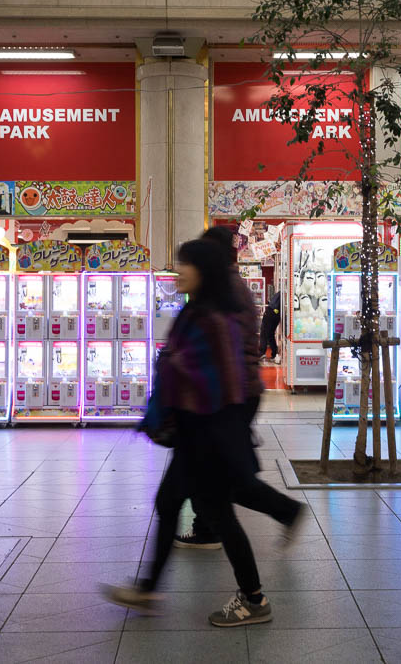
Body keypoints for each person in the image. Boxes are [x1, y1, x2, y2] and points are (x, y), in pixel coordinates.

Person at [102, 239, 276, 627]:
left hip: (205, 439)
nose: (178, 271)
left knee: (214, 514)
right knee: (173, 506)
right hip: (194, 437)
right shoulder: (197, 312)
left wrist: (176, 376)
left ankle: (254, 599)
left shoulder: (213, 321)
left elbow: (223, 387)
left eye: (186, 265)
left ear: (205, 271)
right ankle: (149, 590)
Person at [173, 227, 302, 550]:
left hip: (232, 394)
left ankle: (215, 528)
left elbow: (220, 349)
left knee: (223, 475)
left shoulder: (223, 287)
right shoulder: (229, 284)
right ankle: (219, 523)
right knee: (222, 472)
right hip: (238, 391)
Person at [259, 290, 282, 363]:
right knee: (270, 334)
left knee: (264, 332)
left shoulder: (281, 292)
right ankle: (274, 353)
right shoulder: (285, 293)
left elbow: (273, 303)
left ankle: (262, 353)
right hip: (277, 314)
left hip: (271, 312)